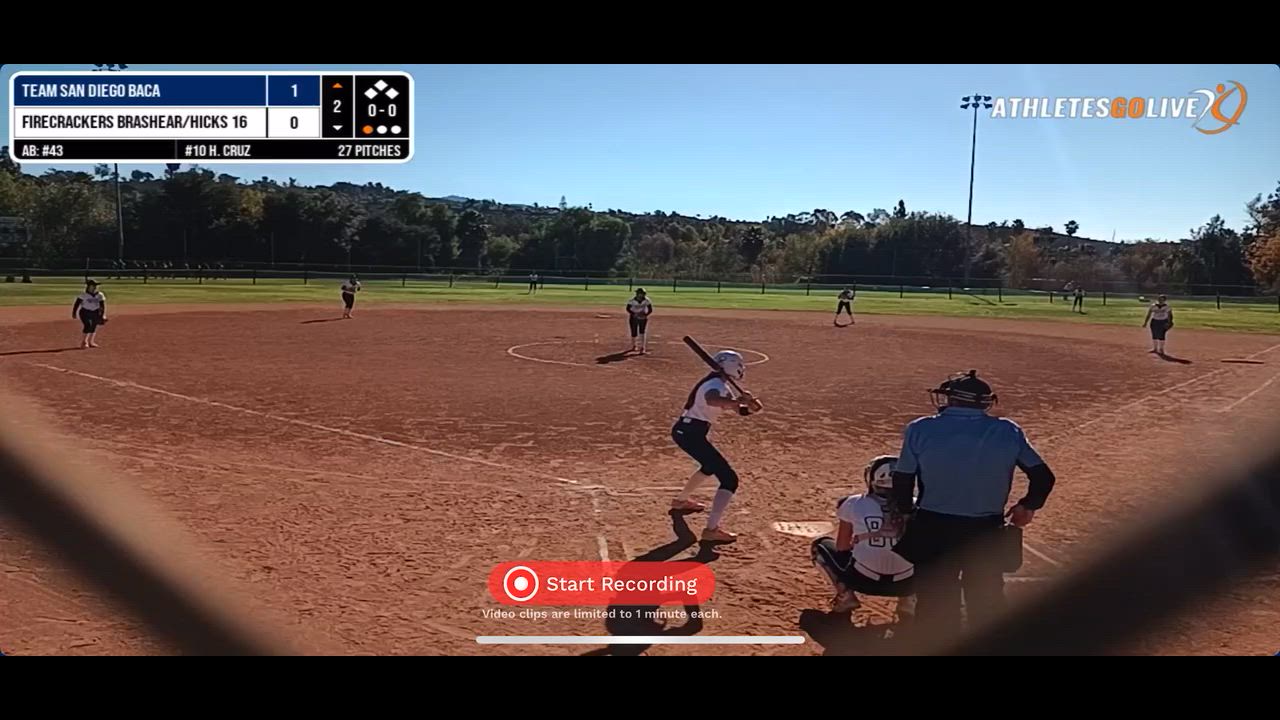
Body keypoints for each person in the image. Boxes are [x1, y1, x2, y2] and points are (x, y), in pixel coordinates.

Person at [888, 370, 1056, 636]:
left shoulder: (921, 428)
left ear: (953, 399)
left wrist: (906, 512)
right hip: (985, 530)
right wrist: (1028, 506)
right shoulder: (1008, 430)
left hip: (933, 526)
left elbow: (903, 478)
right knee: (986, 598)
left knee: (935, 600)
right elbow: (1043, 477)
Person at [669, 350, 764, 544]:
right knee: (729, 479)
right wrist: (737, 401)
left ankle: (680, 501)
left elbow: (739, 410)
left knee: (709, 466)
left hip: (689, 432)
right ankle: (711, 530)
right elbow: (712, 399)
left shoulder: (721, 385)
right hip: (689, 433)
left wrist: (751, 407)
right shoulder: (714, 385)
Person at [811, 455, 917, 618]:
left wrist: (863, 542)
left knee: (820, 546)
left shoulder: (853, 503)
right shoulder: (918, 505)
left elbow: (842, 546)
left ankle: (845, 596)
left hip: (862, 580)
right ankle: (910, 600)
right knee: (928, 553)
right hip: (906, 584)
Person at [71, 279, 108, 349]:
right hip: (85, 312)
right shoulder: (83, 295)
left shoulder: (100, 295)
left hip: (95, 312)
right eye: (93, 285)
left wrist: (102, 315)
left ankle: (91, 342)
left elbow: (102, 306)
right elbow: (77, 304)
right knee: (87, 325)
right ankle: (84, 342)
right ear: (88, 286)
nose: (95, 287)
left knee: (94, 326)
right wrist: (74, 313)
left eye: (95, 286)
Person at [626, 288, 653, 354]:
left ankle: (642, 347)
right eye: (639, 294)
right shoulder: (632, 300)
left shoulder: (647, 300)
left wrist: (645, 315)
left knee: (642, 331)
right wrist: (634, 314)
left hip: (643, 318)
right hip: (633, 318)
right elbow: (628, 309)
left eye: (641, 294)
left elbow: (650, 309)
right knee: (634, 331)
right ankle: (634, 345)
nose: (640, 295)